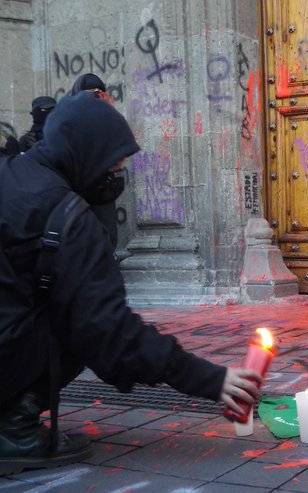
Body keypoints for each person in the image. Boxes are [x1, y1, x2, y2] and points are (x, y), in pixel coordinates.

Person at [0, 93, 262, 475]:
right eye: (114, 164)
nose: (117, 175)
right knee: (78, 324)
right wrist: (210, 380)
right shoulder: (70, 219)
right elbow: (110, 331)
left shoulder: (10, 173)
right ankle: (14, 428)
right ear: (88, 152)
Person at [68, 74, 118, 248]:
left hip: (102, 191)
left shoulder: (108, 115)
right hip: (76, 193)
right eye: (88, 94)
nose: (94, 98)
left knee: (107, 240)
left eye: (97, 93)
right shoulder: (67, 119)